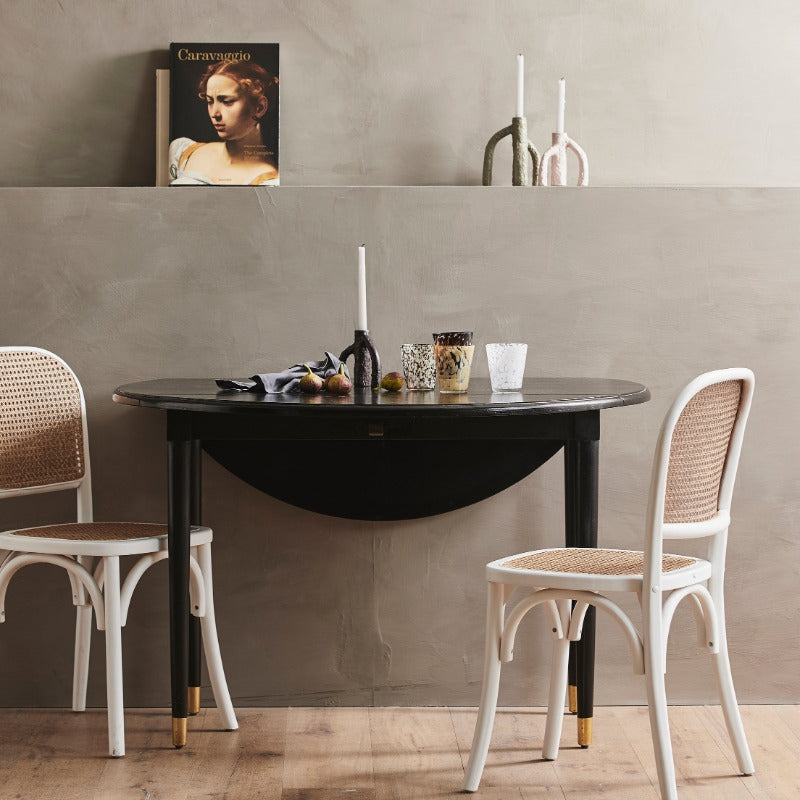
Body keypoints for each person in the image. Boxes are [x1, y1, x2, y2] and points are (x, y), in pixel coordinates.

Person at [169, 59, 279, 185]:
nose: (214, 114)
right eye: (210, 101)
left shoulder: (270, 181)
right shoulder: (183, 151)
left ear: (259, 108)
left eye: (227, 101)